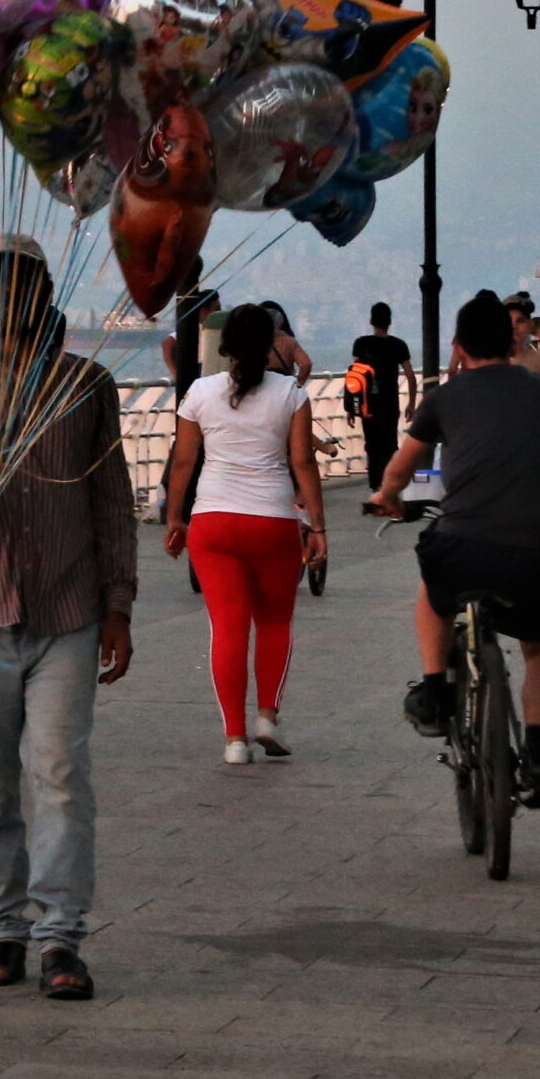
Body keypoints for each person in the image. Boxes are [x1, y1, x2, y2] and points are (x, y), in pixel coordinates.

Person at [0, 234, 136, 1001]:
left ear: (46, 291)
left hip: (68, 609)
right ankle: (1, 924)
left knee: (62, 773)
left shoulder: (86, 384)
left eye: (25, 280)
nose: (11, 294)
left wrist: (119, 605)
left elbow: (112, 500)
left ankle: (60, 935)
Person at [377, 290, 540, 806]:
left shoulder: (447, 397)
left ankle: (431, 686)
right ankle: (535, 749)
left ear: (459, 346)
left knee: (433, 586)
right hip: (534, 552)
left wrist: (385, 496)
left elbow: (402, 468)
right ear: (513, 339)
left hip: (464, 545)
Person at [162, 304, 327, 765]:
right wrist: (317, 524)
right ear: (273, 344)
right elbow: (302, 463)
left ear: (224, 345)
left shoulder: (198, 392)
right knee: (273, 622)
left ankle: (235, 739)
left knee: (228, 629)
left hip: (214, 523)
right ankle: (268, 719)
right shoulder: (292, 394)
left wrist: (175, 518)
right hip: (272, 522)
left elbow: (183, 462)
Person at [350, 303, 416, 498]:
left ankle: (375, 485)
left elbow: (355, 377)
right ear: (390, 322)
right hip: (390, 403)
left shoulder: (361, 344)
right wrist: (411, 404)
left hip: (367, 403)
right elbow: (411, 377)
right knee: (389, 443)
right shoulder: (398, 346)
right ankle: (390, 483)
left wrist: (350, 408)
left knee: (372, 443)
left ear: (371, 321)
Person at [259, 301, 312, 385]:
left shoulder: (252, 342)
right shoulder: (289, 341)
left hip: (260, 386)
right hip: (284, 386)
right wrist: (299, 384)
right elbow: (306, 364)